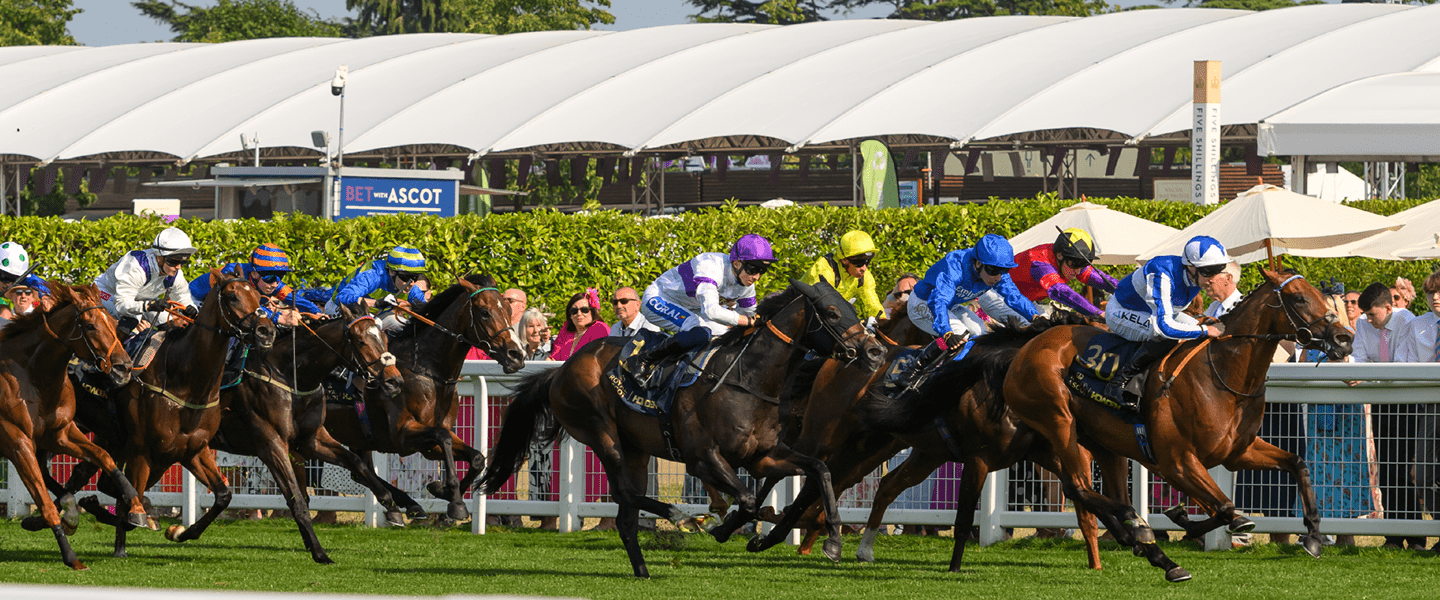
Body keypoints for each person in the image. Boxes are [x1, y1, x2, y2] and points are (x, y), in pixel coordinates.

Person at [1102, 235, 1227, 408]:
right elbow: (1164, 326)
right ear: (1190, 267)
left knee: (1195, 326)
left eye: (1217, 270)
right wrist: (1204, 330)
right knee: (1167, 334)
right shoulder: (1162, 271)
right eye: (1208, 271)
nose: (1213, 278)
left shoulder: (1196, 276)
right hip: (1121, 312)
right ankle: (1118, 382)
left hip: (1150, 311)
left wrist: (1202, 329)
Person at [633, 234, 774, 374]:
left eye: (762, 271)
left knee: (724, 335)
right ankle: (643, 360)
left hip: (694, 308)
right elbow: (712, 312)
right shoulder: (710, 266)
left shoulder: (747, 285)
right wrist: (749, 321)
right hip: (659, 299)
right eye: (753, 269)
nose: (756, 277)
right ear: (736, 263)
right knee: (701, 333)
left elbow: (751, 317)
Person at [1301, 289, 1372, 548]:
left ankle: (1347, 535)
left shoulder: (1352, 337)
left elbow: (1357, 367)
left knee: (1347, 469)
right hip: (1319, 416)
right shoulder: (1310, 341)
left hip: (1346, 415)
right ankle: (1318, 530)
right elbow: (1301, 369)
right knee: (1317, 471)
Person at [908, 234, 1039, 366]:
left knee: (980, 333)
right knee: (959, 334)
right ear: (978, 263)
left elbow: (1014, 296)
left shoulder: (997, 274)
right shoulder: (955, 266)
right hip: (924, 302)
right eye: (994, 271)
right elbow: (938, 301)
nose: (998, 277)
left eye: (1005, 270)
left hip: (949, 305)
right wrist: (947, 332)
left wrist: (1035, 316)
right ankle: (915, 368)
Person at [1386, 271, 1440, 550]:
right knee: (1424, 472)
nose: (1435, 298)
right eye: (1431, 293)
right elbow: (1401, 363)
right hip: (1430, 406)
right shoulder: (1417, 325)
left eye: (1439, 292)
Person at [95, 227, 198, 336]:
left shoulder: (176, 274)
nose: (178, 267)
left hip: (141, 298)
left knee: (167, 322)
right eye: (173, 261)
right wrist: (148, 306)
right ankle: (110, 352)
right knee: (132, 318)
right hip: (106, 293)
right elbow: (122, 304)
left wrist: (190, 309)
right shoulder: (136, 267)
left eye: (183, 262)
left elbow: (183, 297)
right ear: (159, 257)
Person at [190, 243, 319, 326]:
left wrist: (317, 313)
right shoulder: (233, 274)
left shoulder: (272, 282)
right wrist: (279, 317)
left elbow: (298, 300)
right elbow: (247, 308)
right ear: (255, 273)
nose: (275, 283)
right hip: (195, 300)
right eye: (270, 277)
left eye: (280, 276)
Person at [1009, 227, 1118, 318]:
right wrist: (1098, 313)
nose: (1078, 271)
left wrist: (1128, 292)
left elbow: (1104, 280)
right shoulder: (1040, 263)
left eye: (1083, 265)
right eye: (1074, 264)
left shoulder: (1070, 260)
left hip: (1024, 300)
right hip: (1000, 296)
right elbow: (1061, 292)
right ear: (1059, 255)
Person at [802, 230, 883, 320]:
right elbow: (825, 307)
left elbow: (874, 305)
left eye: (867, 262)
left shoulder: (863, 275)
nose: (864, 268)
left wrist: (882, 322)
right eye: (859, 262)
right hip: (800, 316)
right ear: (844, 260)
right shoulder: (824, 269)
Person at [325, 246, 428, 316]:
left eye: (415, 277)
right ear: (392, 272)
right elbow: (342, 297)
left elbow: (425, 310)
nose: (412, 283)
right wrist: (377, 303)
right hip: (339, 307)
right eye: (406, 277)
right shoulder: (373, 276)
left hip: (374, 315)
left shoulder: (412, 287)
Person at [551, 289, 610, 362]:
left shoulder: (600, 329)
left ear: (592, 312)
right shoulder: (565, 331)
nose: (579, 314)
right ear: (570, 315)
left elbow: (597, 359)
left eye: (584, 310)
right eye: (574, 311)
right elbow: (553, 358)